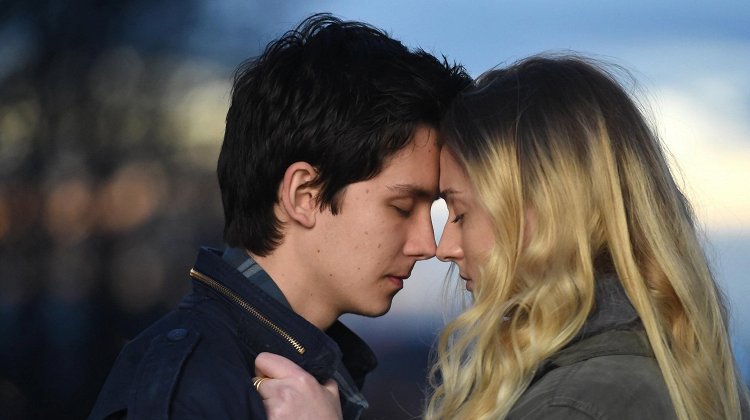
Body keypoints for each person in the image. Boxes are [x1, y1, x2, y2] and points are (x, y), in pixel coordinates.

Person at [255, 55, 750, 419]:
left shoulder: (575, 405)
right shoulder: (640, 374)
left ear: (541, 215)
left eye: (460, 213)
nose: (442, 248)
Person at [88, 13, 469, 420]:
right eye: (402, 207)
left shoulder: (282, 372)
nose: (427, 245)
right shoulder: (187, 391)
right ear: (304, 195)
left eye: (432, 209)